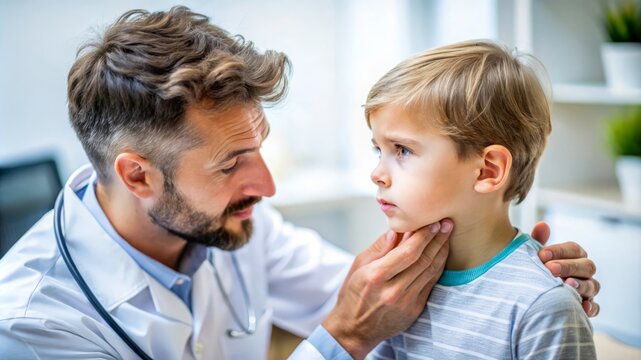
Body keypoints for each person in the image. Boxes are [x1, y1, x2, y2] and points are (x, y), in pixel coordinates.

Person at [0, 7, 599, 360]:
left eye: (258, 148)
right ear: (138, 175)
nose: (265, 185)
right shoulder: (33, 326)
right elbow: (355, 318)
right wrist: (341, 338)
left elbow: (376, 299)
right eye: (231, 162)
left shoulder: (236, 228)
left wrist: (526, 285)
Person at [364, 40, 596, 359]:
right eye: (379, 150)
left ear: (487, 170)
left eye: (402, 150)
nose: (377, 173)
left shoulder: (542, 306)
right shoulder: (397, 291)